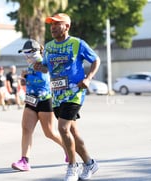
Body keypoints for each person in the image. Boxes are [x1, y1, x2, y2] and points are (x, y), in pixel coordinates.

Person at [35, 13, 100, 181]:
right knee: (72, 132)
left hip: (75, 93)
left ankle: (72, 167)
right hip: (57, 95)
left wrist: (88, 78)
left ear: (67, 26)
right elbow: (46, 68)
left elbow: (96, 60)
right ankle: (90, 163)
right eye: (51, 24)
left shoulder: (77, 43)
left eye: (57, 24)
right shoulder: (48, 47)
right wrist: (37, 66)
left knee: (62, 128)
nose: (53, 27)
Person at [11, 39, 67, 171]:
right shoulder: (30, 65)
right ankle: (24, 161)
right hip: (31, 100)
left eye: (28, 53)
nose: (26, 56)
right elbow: (29, 82)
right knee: (26, 129)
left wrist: (31, 74)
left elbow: (46, 78)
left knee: (50, 133)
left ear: (35, 52)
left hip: (45, 101)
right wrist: (24, 79)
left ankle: (68, 148)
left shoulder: (45, 63)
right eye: (24, 53)